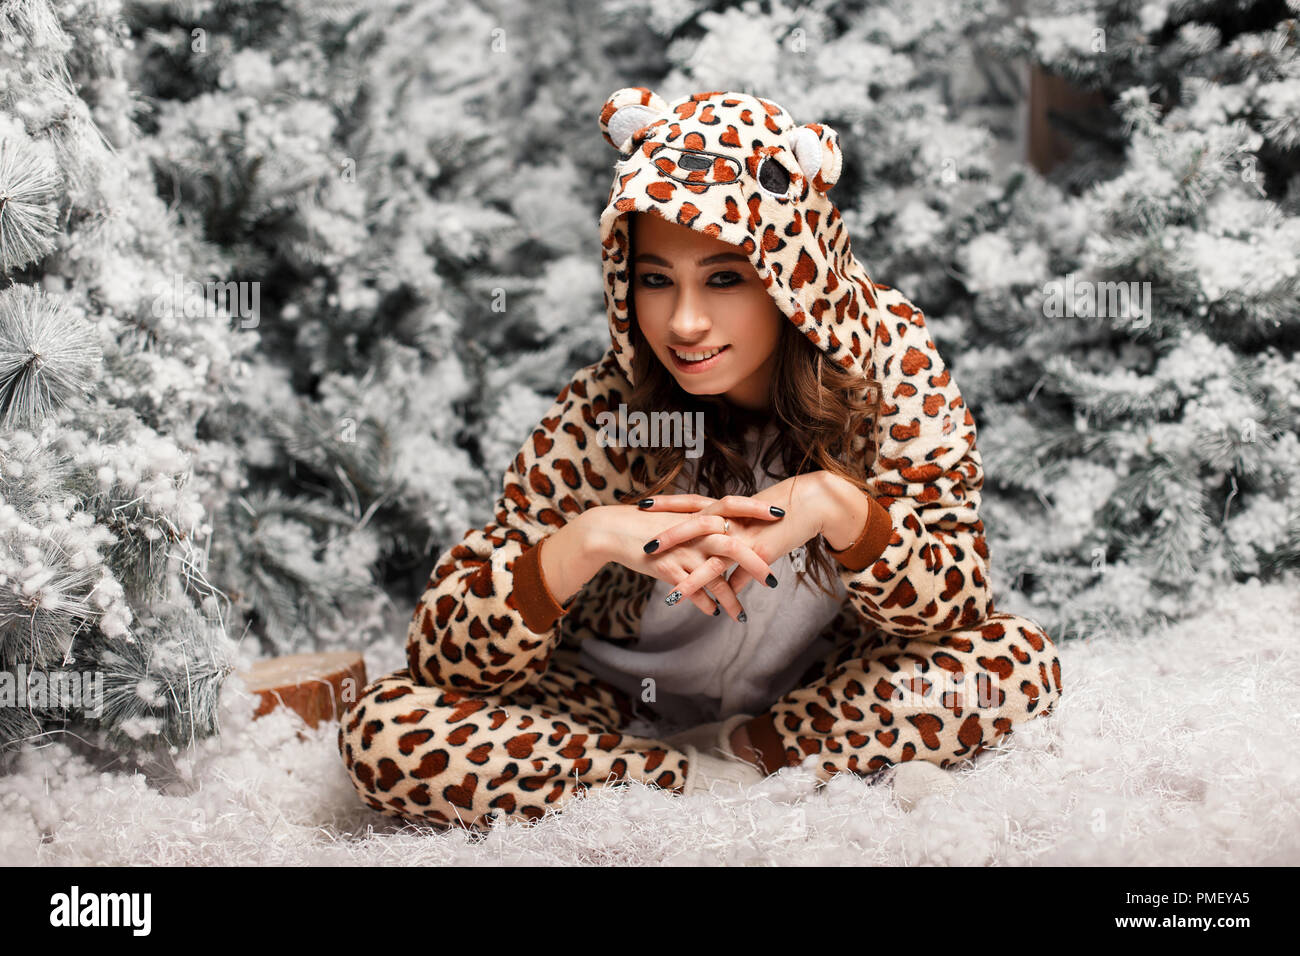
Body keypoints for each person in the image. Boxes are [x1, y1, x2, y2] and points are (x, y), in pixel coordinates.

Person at [337, 87, 1063, 830]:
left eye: (724, 278)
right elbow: (443, 657)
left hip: (817, 695)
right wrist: (582, 542)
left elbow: (957, 603)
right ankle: (677, 777)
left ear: (791, 275)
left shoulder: (891, 374)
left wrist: (839, 510)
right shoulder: (609, 411)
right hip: (612, 704)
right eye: (656, 281)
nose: (684, 323)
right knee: (384, 730)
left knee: (1013, 662)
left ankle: (747, 753)